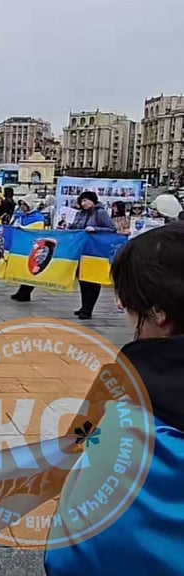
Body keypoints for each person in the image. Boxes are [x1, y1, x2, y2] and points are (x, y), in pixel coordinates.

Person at [45, 222, 184, 575]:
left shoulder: (127, 396)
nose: (123, 310)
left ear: (159, 314)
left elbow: (80, 550)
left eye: (129, 306)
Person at [68, 190, 115, 320]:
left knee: (92, 280)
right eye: (82, 201)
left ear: (92, 200)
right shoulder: (80, 214)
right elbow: (75, 227)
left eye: (86, 200)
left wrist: (96, 229)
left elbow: (111, 228)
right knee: (83, 279)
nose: (83, 203)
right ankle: (84, 306)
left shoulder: (100, 213)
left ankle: (88, 309)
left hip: (95, 252)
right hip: (82, 251)